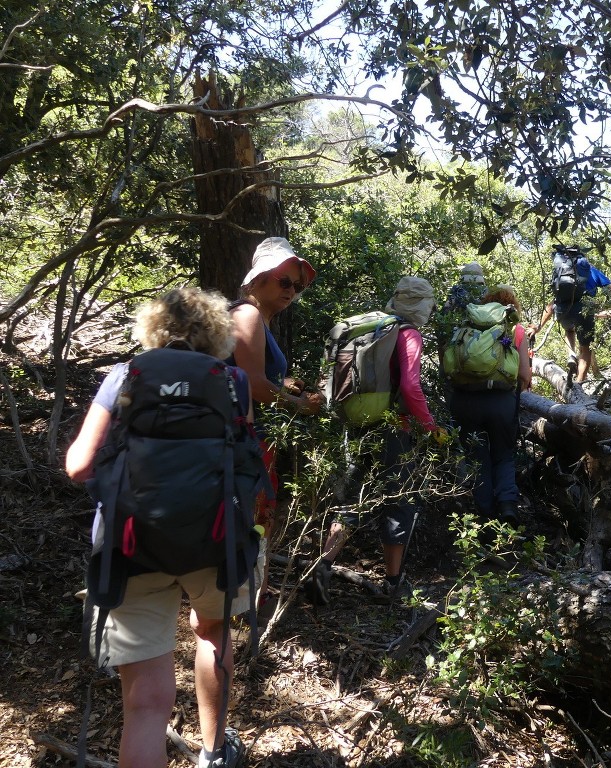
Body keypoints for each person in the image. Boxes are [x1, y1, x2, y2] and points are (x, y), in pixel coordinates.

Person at [66, 287, 255, 768]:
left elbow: (77, 465)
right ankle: (214, 752)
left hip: (132, 547)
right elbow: (243, 462)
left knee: (146, 706)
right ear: (216, 332)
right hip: (214, 543)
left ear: (152, 328)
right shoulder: (233, 381)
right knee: (213, 633)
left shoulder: (125, 375)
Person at [310, 276, 446, 602]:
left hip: (356, 424)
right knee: (399, 501)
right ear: (423, 305)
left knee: (352, 497)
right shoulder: (408, 333)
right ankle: (394, 582)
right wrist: (431, 427)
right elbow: (412, 388)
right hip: (392, 430)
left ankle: (322, 567)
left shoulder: (375, 327)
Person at [228, 236, 324, 591]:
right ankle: (244, 599)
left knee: (260, 513)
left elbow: (251, 374)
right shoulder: (248, 314)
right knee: (254, 515)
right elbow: (250, 384)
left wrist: (282, 383)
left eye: (297, 286)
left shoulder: (258, 319)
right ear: (258, 278)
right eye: (284, 282)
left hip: (249, 438)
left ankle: (252, 591)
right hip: (243, 440)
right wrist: (301, 404)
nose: (292, 291)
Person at [448, 284, 532, 523]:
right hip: (501, 401)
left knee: (477, 455)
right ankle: (507, 506)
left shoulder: (467, 326)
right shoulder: (515, 329)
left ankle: (484, 513)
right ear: (512, 305)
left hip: (465, 400)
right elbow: (524, 374)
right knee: (504, 454)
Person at [528, 249, 611, 382]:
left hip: (562, 310)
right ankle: (579, 383)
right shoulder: (591, 270)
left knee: (569, 329)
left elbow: (551, 305)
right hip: (583, 310)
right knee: (585, 350)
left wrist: (538, 326)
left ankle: (571, 354)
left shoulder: (561, 273)